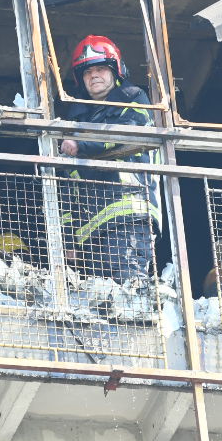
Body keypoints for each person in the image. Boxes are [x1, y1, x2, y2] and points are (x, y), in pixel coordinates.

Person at [57, 36, 158, 283]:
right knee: (99, 302)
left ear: (116, 70)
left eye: (101, 68)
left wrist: (81, 144)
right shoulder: (76, 120)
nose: (94, 75)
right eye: (87, 71)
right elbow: (67, 187)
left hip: (127, 217)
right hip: (89, 234)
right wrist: (69, 240)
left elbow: (126, 132)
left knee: (129, 286)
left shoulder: (134, 98)